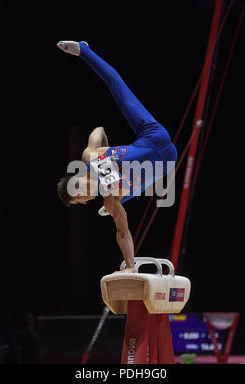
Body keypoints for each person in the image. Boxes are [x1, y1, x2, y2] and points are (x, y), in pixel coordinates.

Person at [57, 41, 177, 272]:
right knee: (119, 194)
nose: (84, 203)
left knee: (117, 87)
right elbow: (123, 232)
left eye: (79, 201)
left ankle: (84, 50)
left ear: (78, 191)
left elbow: (99, 130)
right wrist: (130, 266)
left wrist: (104, 154)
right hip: (165, 164)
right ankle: (126, 191)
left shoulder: (89, 156)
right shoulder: (109, 200)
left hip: (152, 137)